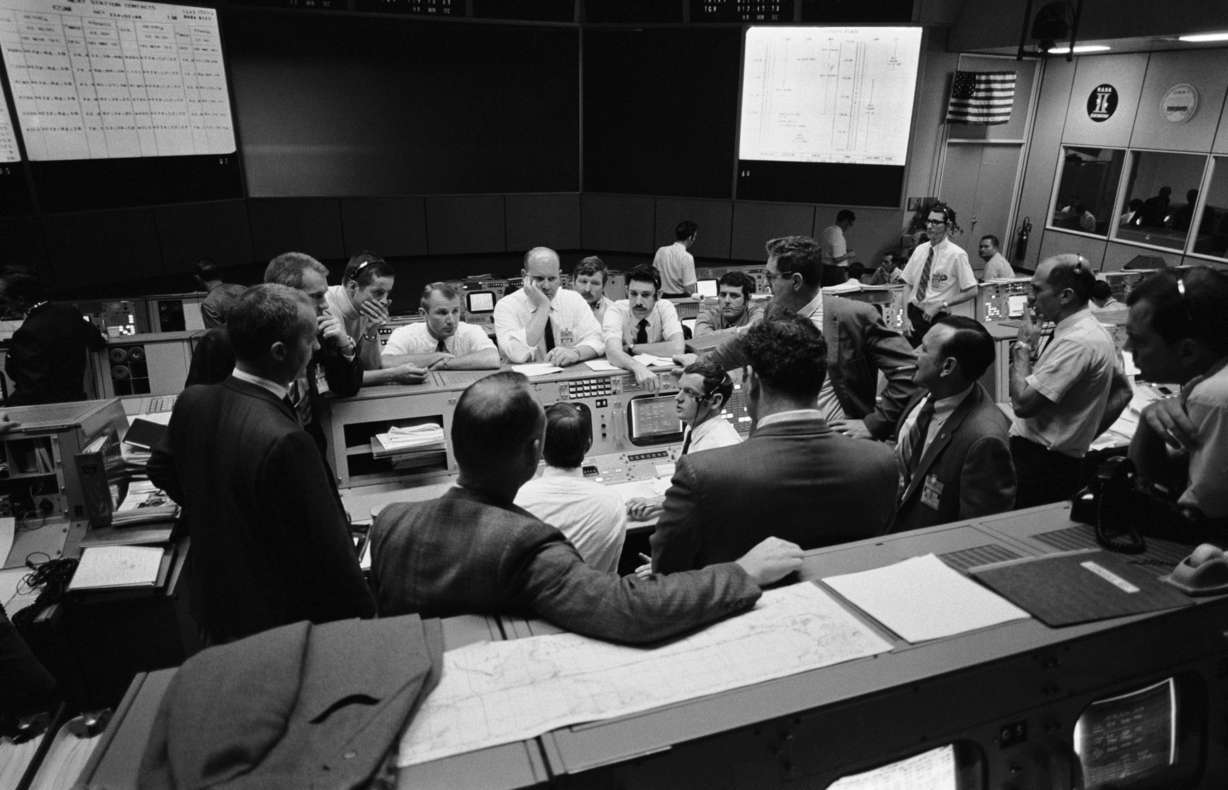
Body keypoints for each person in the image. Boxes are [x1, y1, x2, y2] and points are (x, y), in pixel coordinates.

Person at [368, 371, 803, 645]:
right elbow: (633, 611)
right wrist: (742, 572)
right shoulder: (526, 544)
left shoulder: (390, 522)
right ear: (533, 451)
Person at [148, 285, 375, 643]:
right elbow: (330, 557)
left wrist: (226, 519)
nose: (317, 348)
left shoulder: (193, 401)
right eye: (310, 340)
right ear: (280, 352)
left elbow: (160, 469)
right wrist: (367, 619)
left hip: (217, 603)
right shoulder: (287, 440)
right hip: (280, 621)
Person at [652, 312, 897, 574]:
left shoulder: (701, 473)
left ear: (751, 380)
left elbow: (667, 577)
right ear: (820, 376)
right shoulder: (881, 461)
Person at [679, 235, 918, 441]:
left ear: (796, 281)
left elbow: (908, 371)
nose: (767, 283)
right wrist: (700, 366)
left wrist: (873, 423)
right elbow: (742, 346)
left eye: (771, 277)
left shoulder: (854, 316)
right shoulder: (775, 310)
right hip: (776, 440)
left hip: (833, 443)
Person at [1009, 254, 1133, 507]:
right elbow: (1123, 392)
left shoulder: (1076, 343)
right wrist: (1081, 437)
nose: (1030, 297)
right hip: (1060, 461)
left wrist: (1022, 347)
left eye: (1037, 289)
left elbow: (1022, 405)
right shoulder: (1093, 331)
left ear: (1065, 295)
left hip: (1039, 467)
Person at [893, 316, 1016, 533]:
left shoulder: (984, 440)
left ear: (947, 366)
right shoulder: (929, 391)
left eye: (924, 349)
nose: (914, 354)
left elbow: (979, 532)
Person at [1126, 267, 1228, 522]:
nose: (1128, 349)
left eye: (1137, 340)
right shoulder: (1204, 383)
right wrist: (1148, 422)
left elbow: (1191, 522)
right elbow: (1168, 473)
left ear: (1187, 352)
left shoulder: (1213, 396)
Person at [626, 358, 742, 522]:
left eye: (689, 392)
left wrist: (657, 505)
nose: (677, 398)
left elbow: (706, 504)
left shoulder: (718, 447)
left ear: (715, 401)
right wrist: (658, 503)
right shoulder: (694, 426)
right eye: (680, 389)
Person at [514, 403, 626, 572]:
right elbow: (611, 571)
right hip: (592, 595)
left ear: (540, 447)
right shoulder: (613, 503)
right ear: (588, 445)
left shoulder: (516, 500)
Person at [0, 270, 106, 405]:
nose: (4, 306)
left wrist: (6, 410)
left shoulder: (27, 333)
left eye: (4, 300)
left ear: (20, 300)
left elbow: (32, 388)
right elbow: (97, 342)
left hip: (47, 411)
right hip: (77, 403)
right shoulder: (69, 313)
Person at [494, 246, 604, 366]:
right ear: (524, 275)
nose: (546, 286)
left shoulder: (573, 300)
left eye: (552, 279)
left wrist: (576, 353)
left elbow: (598, 339)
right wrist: (543, 307)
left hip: (567, 376)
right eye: (539, 279)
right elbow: (517, 354)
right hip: (526, 380)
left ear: (560, 275)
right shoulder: (506, 306)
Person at [901, 202, 977, 346]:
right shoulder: (920, 250)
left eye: (936, 222)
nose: (930, 226)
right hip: (913, 314)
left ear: (947, 226)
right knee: (911, 360)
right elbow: (908, 285)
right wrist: (905, 317)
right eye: (929, 221)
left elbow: (972, 290)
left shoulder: (957, 255)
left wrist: (941, 304)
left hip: (937, 317)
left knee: (932, 362)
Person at [602, 264, 684, 391]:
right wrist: (638, 367)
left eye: (645, 295)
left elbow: (677, 348)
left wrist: (631, 349)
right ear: (626, 291)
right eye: (633, 294)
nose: (638, 301)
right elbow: (612, 352)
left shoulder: (665, 307)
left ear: (659, 295)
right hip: (630, 377)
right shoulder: (616, 310)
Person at [381, 282, 499, 371]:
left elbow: (493, 358)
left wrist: (446, 363)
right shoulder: (405, 334)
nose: (451, 320)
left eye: (455, 311)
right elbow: (386, 362)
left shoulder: (470, 331)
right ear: (423, 314)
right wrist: (437, 356)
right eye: (442, 313)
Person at [323, 251, 395, 375]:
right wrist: (393, 374)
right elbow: (339, 378)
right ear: (352, 287)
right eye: (378, 293)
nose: (384, 302)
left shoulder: (363, 308)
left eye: (387, 294)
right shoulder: (325, 305)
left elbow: (370, 367)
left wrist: (371, 332)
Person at [693, 271, 763, 338]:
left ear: (747, 299)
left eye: (734, 296)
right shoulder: (708, 314)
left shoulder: (755, 311)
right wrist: (738, 331)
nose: (727, 301)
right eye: (723, 295)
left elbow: (756, 327)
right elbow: (700, 338)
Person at [653, 220, 699, 297]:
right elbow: (690, 289)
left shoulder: (661, 251)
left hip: (661, 298)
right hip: (681, 300)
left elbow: (653, 275)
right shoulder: (687, 257)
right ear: (690, 238)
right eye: (695, 236)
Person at [195, 259, 243, 329]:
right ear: (220, 274)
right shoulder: (242, 289)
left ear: (198, 278)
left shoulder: (209, 304)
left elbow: (218, 335)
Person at [572, 255, 615, 326]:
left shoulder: (614, 312)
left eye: (595, 283)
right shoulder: (561, 309)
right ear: (573, 282)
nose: (587, 289)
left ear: (604, 286)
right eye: (583, 282)